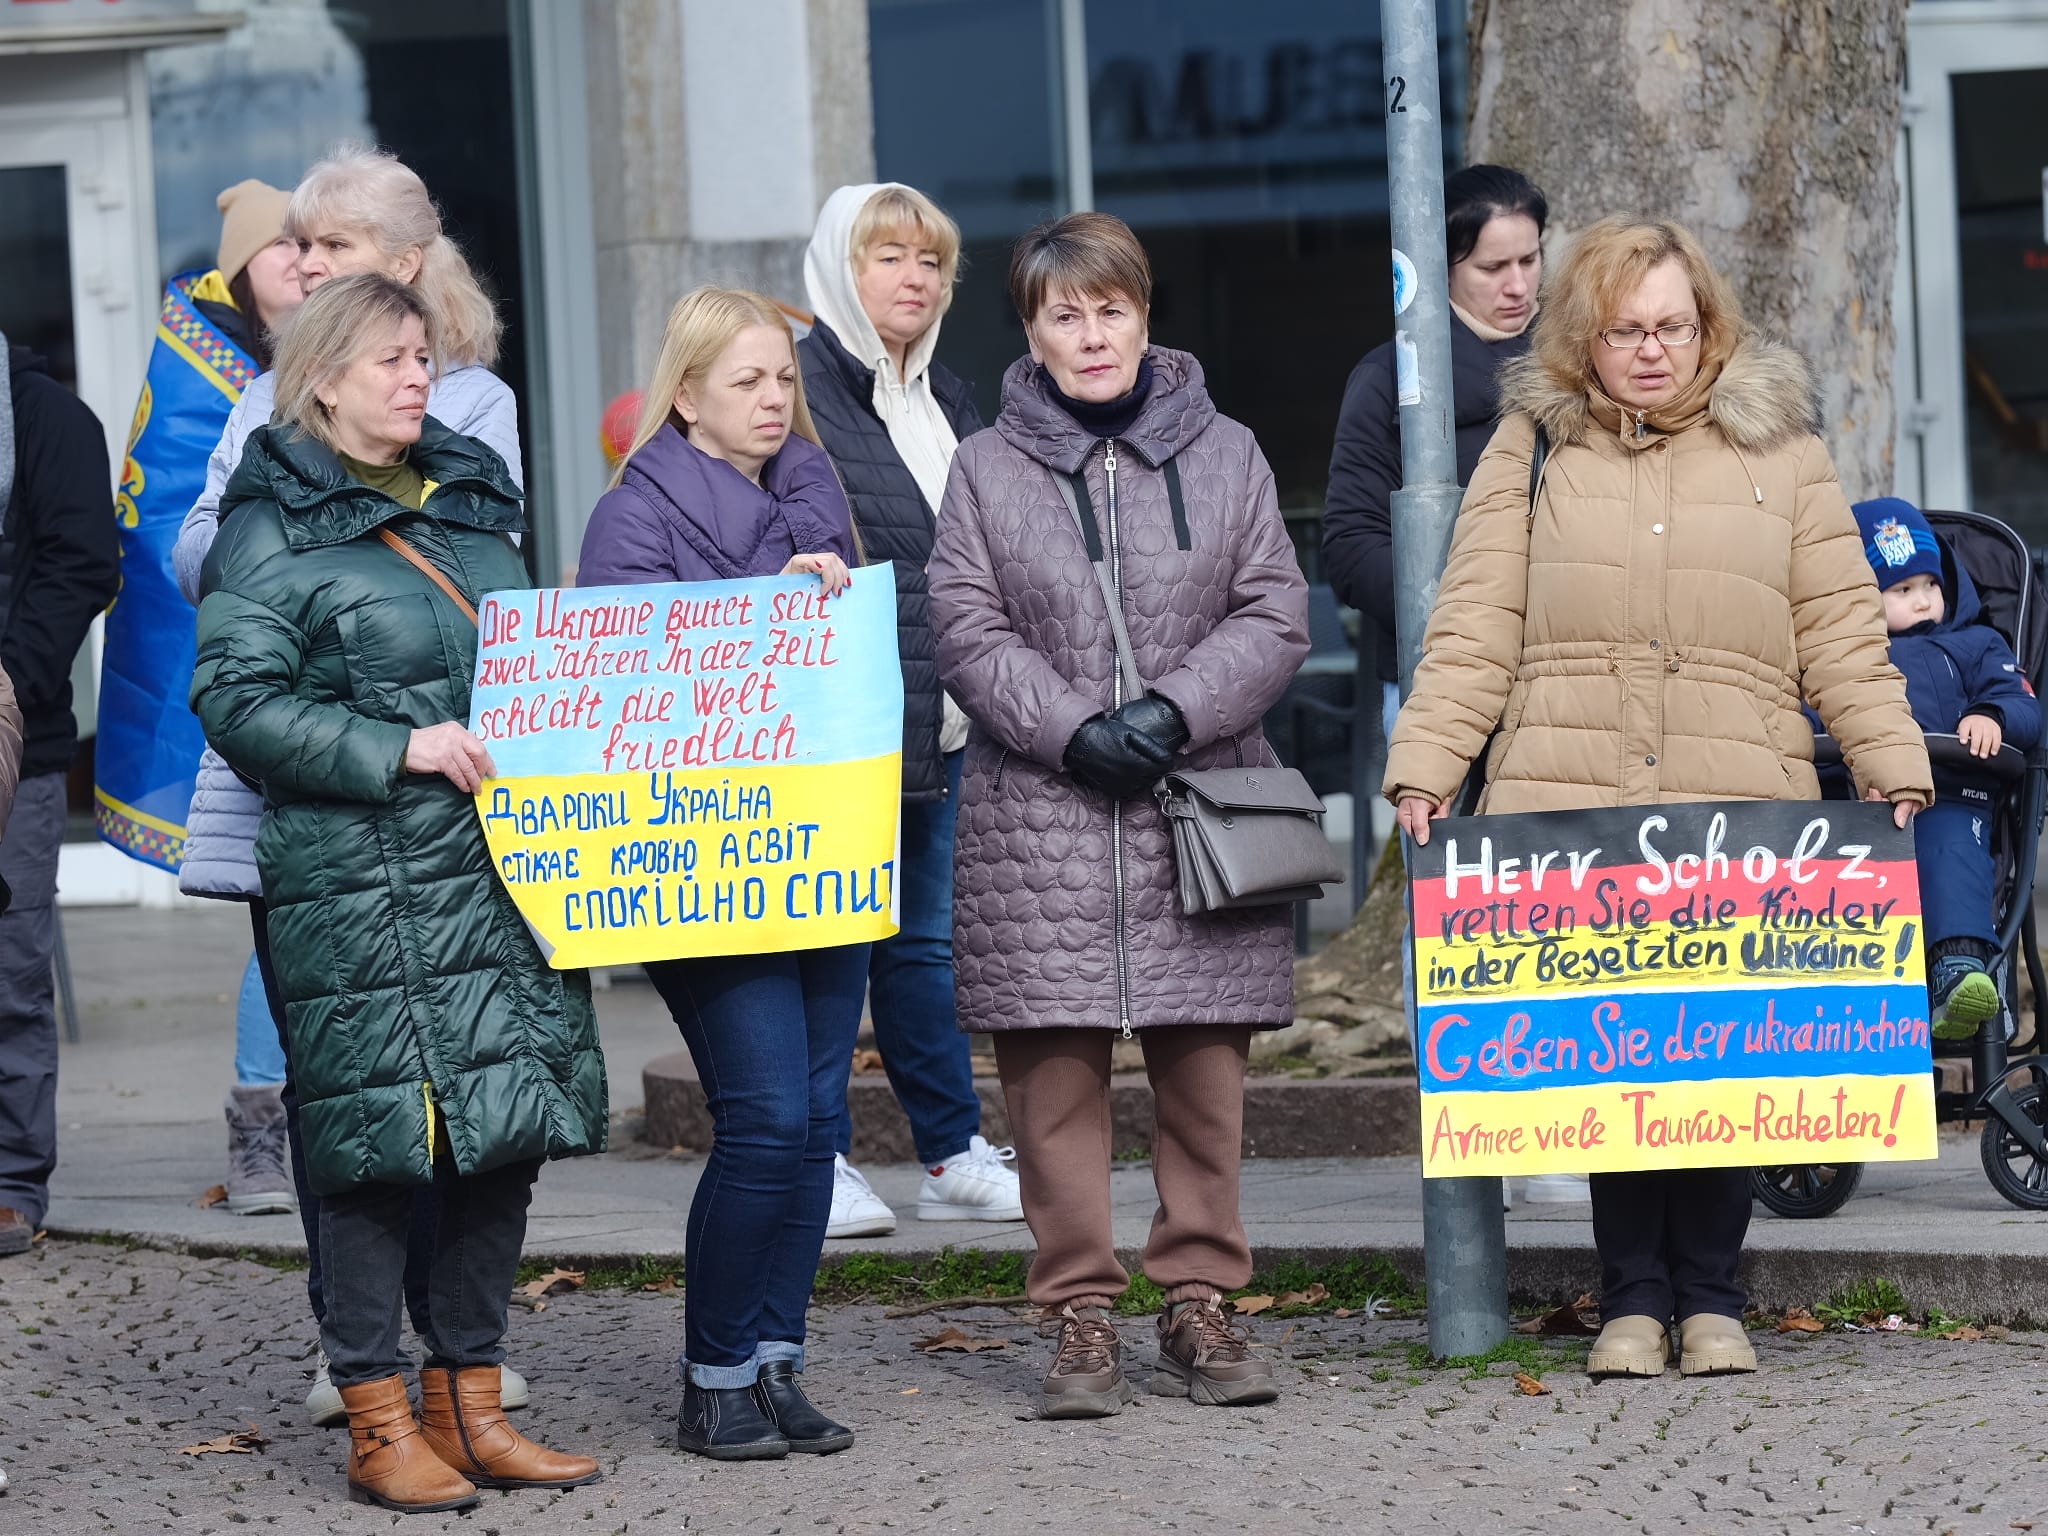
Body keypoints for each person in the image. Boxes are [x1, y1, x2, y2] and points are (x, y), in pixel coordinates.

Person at [1382, 216, 1932, 1380]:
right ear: (1585, 335)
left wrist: (1887, 755)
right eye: (1624, 329)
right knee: (1614, 1063)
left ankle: (1712, 1300)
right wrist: (1426, 766)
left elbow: (1836, 626)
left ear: (1706, 329)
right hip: (1566, 787)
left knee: (1719, 1063)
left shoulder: (1784, 451)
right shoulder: (1530, 445)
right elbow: (1472, 623)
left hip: (1739, 787)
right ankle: (1630, 1299)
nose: (1649, 350)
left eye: (1670, 327)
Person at [191, 274, 604, 1512]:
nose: (418, 377)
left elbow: (533, 660)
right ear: (322, 377)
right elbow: (238, 702)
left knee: (502, 1133)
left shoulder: (474, 503)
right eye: (389, 359)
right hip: (358, 881)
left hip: (498, 871)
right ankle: (377, 1422)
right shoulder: (268, 525)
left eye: (424, 355)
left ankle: (470, 1406)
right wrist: (398, 747)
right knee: (375, 1152)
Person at [172, 144, 533, 1427]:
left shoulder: (468, 430)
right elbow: (214, 584)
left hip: (463, 836)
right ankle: (372, 1377)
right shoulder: (270, 465)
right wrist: (320, 544)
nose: (303, 262)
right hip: (334, 829)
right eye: (305, 247)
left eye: (330, 247)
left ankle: (460, 1380)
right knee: (360, 1107)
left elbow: (521, 627)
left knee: (489, 1103)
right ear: (322, 388)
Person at [928, 212, 1309, 1418]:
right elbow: (963, 623)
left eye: (1110, 310)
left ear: (1145, 316)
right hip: (1039, 815)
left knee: (1204, 1076)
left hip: (1195, 802)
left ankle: (1197, 1297)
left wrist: (1170, 715)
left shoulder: (1231, 451)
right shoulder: (984, 466)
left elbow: (1273, 610)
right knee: (1052, 1088)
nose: (1089, 335)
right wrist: (1068, 729)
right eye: (1062, 315)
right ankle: (1078, 1313)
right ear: (1031, 333)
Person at [579, 286, 864, 1462]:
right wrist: (767, 603)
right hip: (707, 864)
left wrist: (822, 589)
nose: (771, 399)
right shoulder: (629, 517)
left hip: (821, 851)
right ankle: (711, 1377)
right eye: (745, 381)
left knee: (815, 1128)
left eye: (782, 381)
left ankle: (774, 1361)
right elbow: (631, 686)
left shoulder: (817, 501)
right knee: (763, 1119)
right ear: (684, 396)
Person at [798, 182, 1021, 1237]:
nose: (914, 279)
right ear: (838, 268)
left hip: (939, 721)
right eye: (886, 257)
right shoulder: (796, 393)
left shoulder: (947, 401)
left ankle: (947, 1154)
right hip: (840, 725)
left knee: (923, 950)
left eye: (929, 261)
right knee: (833, 948)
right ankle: (818, 1160)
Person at [1323, 164, 1546, 751]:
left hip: (1570, 681)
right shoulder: (1386, 380)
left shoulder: (1583, 363)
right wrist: (1460, 612)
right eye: (1493, 268)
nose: (1518, 286)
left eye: (1530, 259)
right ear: (1441, 269)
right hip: (1437, 680)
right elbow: (1350, 545)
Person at [0, 333, 122, 1259]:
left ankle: (10, 1183)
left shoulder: (46, 419)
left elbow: (84, 561)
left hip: (15, 739)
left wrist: (9, 681)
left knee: (9, 973)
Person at [1847, 496, 2040, 1037]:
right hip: (1867, 806)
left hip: (1955, 798)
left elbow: (2024, 706)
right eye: (1902, 590)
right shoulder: (1852, 658)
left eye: (1931, 585)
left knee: (1951, 852)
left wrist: (1991, 713)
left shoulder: (1977, 643)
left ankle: (1957, 971)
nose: (1924, 600)